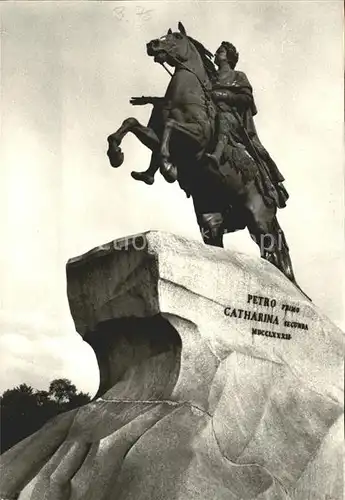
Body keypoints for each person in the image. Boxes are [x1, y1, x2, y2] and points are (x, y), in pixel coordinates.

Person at [207, 41, 288, 209]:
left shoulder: (239, 76)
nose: (216, 53)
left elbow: (247, 99)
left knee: (223, 117)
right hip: (210, 115)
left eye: (220, 51)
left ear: (229, 57)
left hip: (232, 119)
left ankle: (217, 154)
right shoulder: (210, 77)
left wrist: (224, 95)